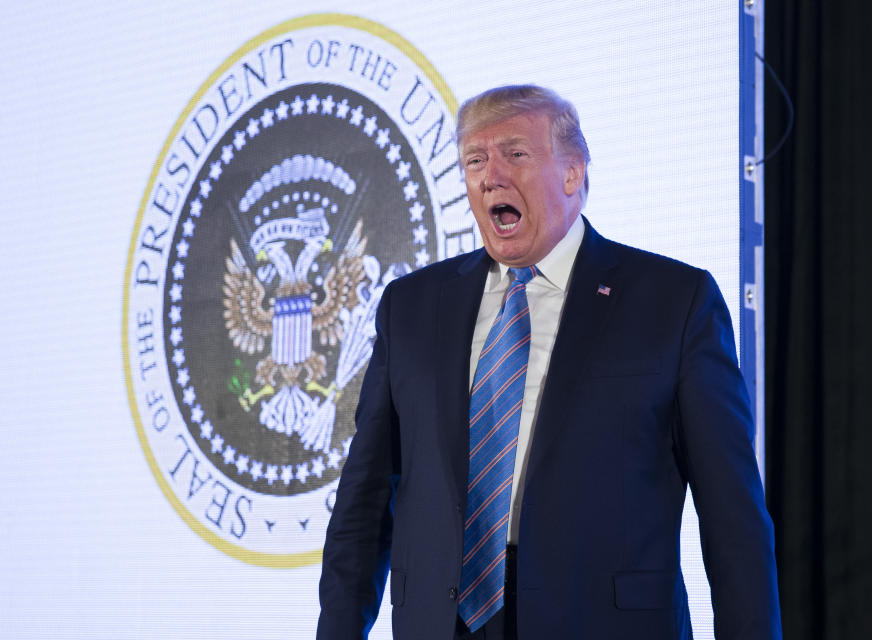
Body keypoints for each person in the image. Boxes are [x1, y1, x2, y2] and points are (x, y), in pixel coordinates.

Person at [317, 84, 781, 639]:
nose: (491, 175)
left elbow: (734, 521)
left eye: (515, 153)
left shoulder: (673, 302)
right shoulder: (411, 307)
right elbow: (363, 507)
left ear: (572, 174)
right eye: (475, 160)